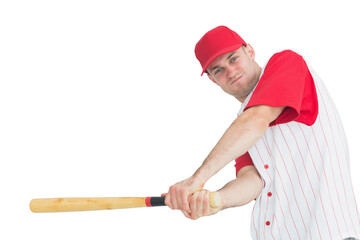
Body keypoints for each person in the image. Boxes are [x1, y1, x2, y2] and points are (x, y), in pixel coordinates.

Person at [164, 26, 360, 240]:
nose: (230, 71)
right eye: (218, 70)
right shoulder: (241, 129)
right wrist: (215, 200)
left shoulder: (287, 63)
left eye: (233, 58)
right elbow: (253, 181)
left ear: (250, 51)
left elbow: (257, 119)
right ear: (212, 79)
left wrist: (195, 180)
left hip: (327, 233)